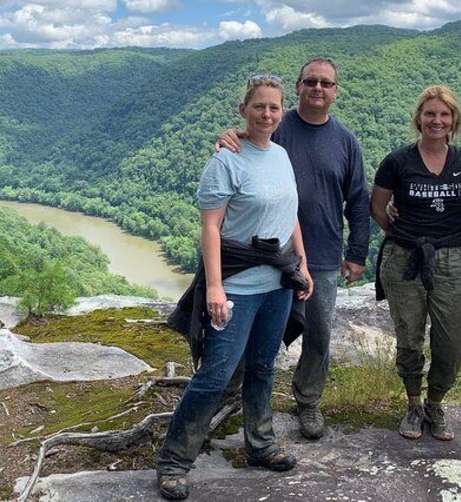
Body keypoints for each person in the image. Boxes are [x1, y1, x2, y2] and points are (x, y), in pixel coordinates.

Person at [156, 75, 313, 500]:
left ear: (283, 112)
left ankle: (260, 444)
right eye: (259, 106)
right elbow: (210, 228)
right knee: (216, 374)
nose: (267, 114)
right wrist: (214, 288)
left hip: (278, 282)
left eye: (274, 107)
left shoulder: (280, 155)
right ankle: (173, 460)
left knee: (263, 366)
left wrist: (302, 263)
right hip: (238, 286)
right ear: (243, 110)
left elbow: (290, 214)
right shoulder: (226, 159)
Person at [218, 58, 370, 440]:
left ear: (336, 91)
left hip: (321, 257)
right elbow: (246, 142)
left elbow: (357, 200)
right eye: (311, 81)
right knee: (248, 330)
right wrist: (226, 137)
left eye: (326, 83)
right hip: (264, 254)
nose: (319, 88)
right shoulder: (276, 125)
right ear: (298, 88)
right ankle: (226, 396)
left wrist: (357, 253)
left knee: (318, 333)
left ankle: (308, 401)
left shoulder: (345, 141)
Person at [370, 85, 461, 441]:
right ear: (418, 118)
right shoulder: (398, 161)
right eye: (430, 114)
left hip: (453, 260)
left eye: (444, 114)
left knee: (451, 343)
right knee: (409, 338)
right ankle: (413, 403)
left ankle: (436, 403)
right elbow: (377, 208)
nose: (437, 120)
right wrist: (400, 232)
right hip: (405, 259)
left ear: (454, 120)